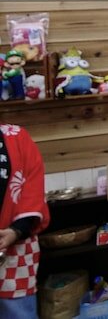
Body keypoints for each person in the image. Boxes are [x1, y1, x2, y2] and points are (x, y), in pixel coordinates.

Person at [0, 124, 50, 319]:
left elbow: (32, 188)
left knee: (18, 313)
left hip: (14, 252)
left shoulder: (17, 137)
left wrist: (16, 231)